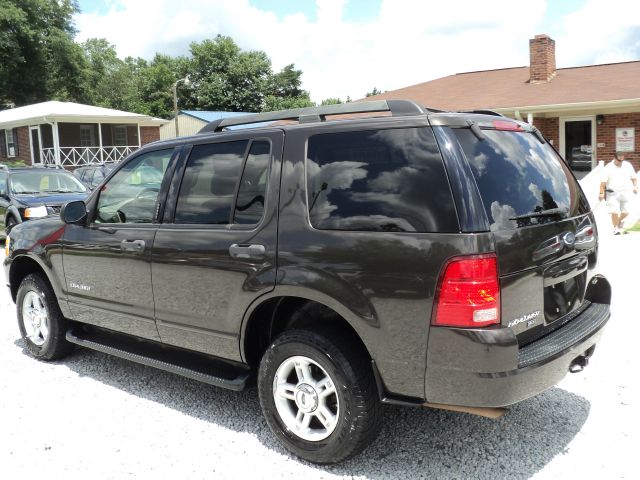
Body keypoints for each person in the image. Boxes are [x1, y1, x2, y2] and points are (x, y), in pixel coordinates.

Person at [599, 152, 638, 234]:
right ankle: (616, 228)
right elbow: (603, 182)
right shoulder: (608, 167)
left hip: (626, 191)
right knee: (614, 211)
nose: (620, 162)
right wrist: (601, 193)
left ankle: (619, 223)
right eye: (619, 160)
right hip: (612, 192)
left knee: (626, 212)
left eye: (622, 160)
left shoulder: (627, 165)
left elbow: (634, 178)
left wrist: (635, 186)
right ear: (614, 158)